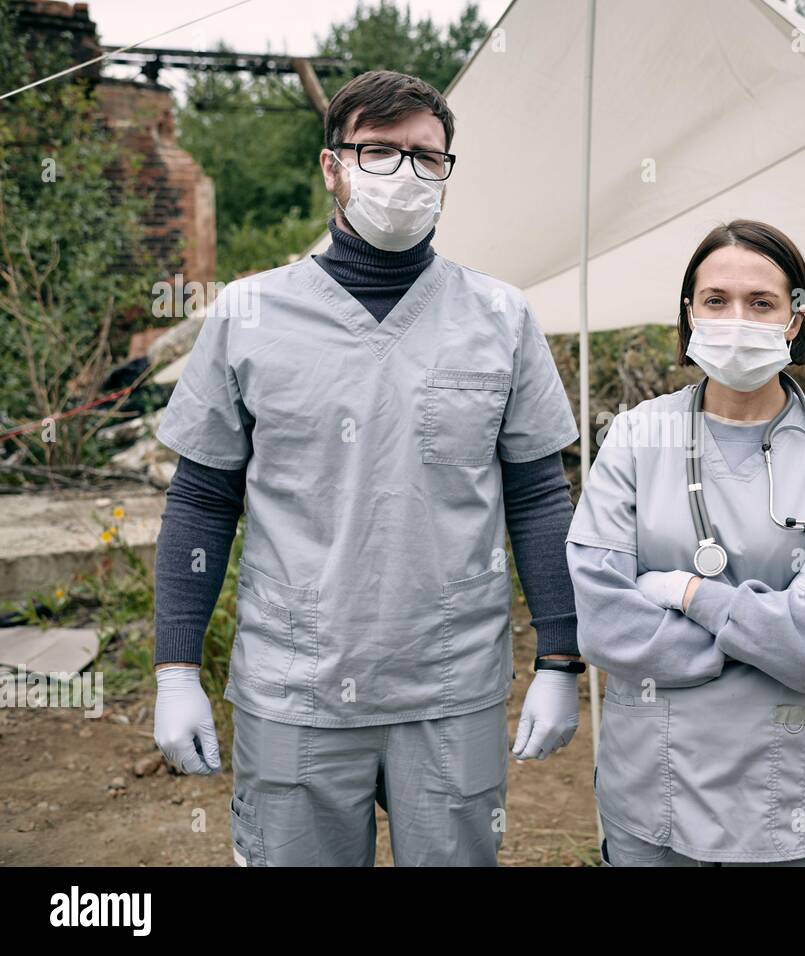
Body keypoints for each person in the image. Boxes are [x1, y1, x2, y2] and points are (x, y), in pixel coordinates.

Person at [151, 70, 587, 866]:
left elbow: (536, 499)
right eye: (378, 151)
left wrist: (561, 655)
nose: (405, 173)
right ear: (332, 167)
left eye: (426, 156)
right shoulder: (249, 318)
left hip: (449, 684)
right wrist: (176, 665)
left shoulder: (500, 319)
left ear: (448, 172)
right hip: (299, 687)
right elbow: (203, 500)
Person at [566, 220, 805, 866]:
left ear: (794, 319)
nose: (735, 317)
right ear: (689, 314)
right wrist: (776, 635)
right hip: (654, 790)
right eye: (715, 300)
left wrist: (689, 594)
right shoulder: (636, 437)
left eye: (761, 302)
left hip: (791, 798)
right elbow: (604, 622)